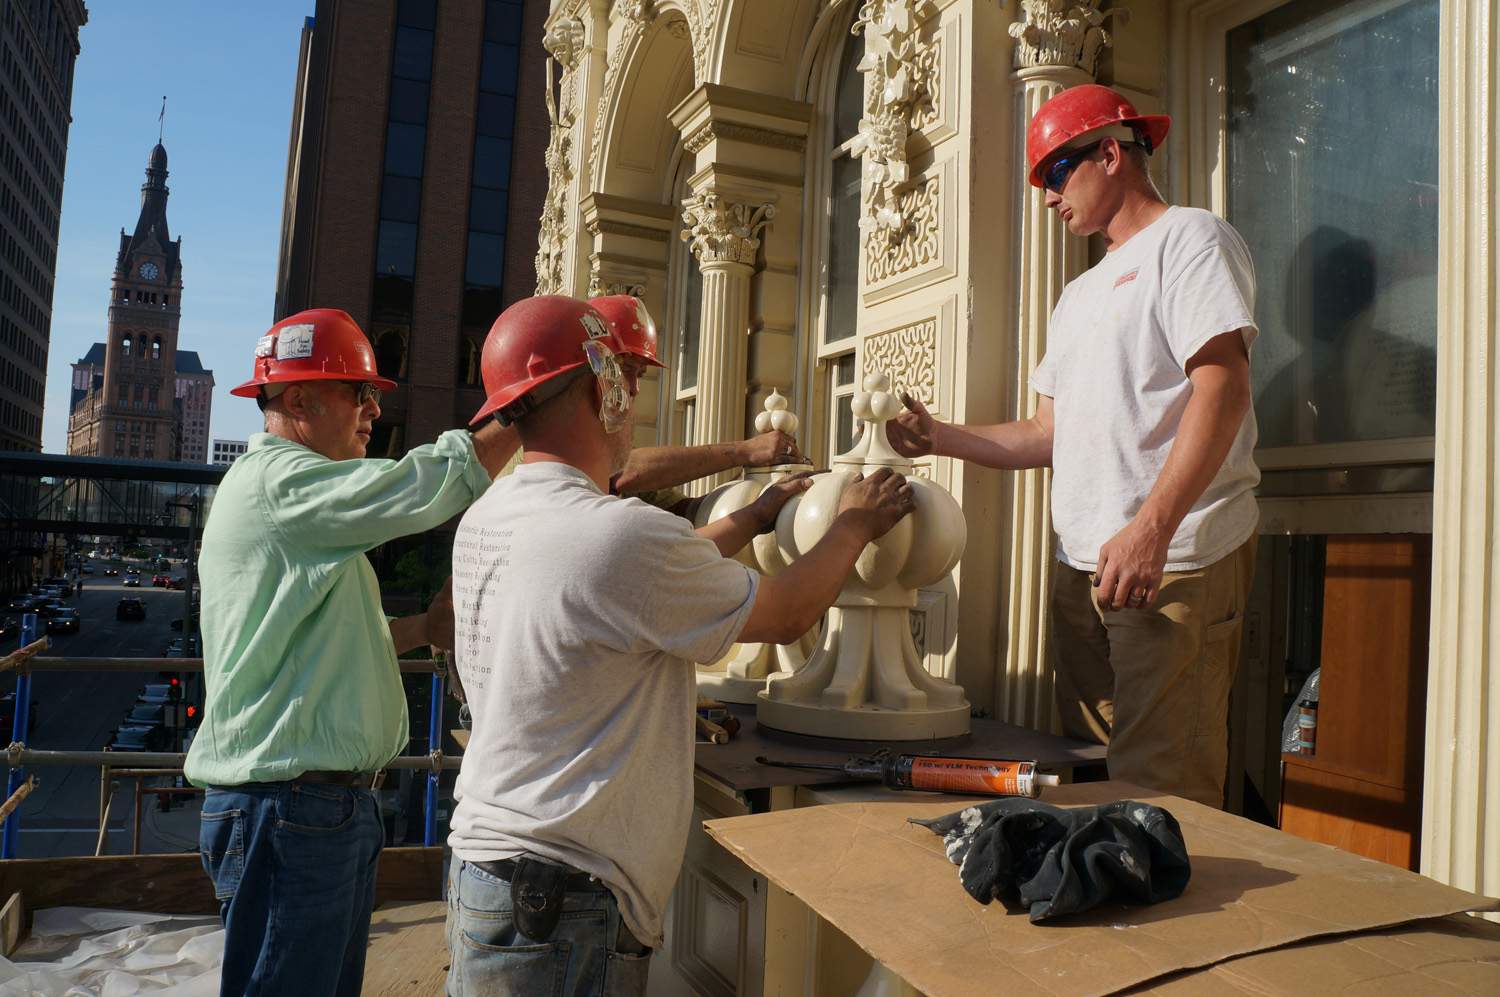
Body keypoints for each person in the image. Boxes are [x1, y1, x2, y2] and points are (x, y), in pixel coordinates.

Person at [445, 296, 914, 996]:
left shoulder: (490, 517)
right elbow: (784, 614)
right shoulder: (616, 535)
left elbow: (631, 587)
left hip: (490, 875)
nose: (631, 398)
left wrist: (754, 515)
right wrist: (852, 525)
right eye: (626, 382)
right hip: (564, 902)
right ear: (600, 386)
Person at [888, 84, 1260, 809]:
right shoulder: (1077, 296)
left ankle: (1172, 928)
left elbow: (1223, 390)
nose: (1048, 197)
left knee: (1162, 795)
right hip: (1083, 576)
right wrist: (940, 436)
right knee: (1095, 787)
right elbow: (1045, 433)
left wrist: (1152, 530)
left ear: (1111, 153)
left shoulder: (1190, 240)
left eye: (1055, 174)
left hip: (1172, 564)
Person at [185, 308, 516, 996]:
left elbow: (318, 644)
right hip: (293, 812)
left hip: (309, 812)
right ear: (297, 399)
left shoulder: (291, 505)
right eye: (356, 391)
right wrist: (527, 413)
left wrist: (422, 626)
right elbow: (414, 488)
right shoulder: (283, 485)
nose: (373, 408)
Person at [588, 293, 809, 520]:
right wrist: (747, 451)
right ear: (593, 364)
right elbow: (622, 473)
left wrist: (751, 486)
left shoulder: (615, 442)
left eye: (640, 374)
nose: (634, 388)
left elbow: (686, 513)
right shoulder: (571, 441)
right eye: (626, 370)